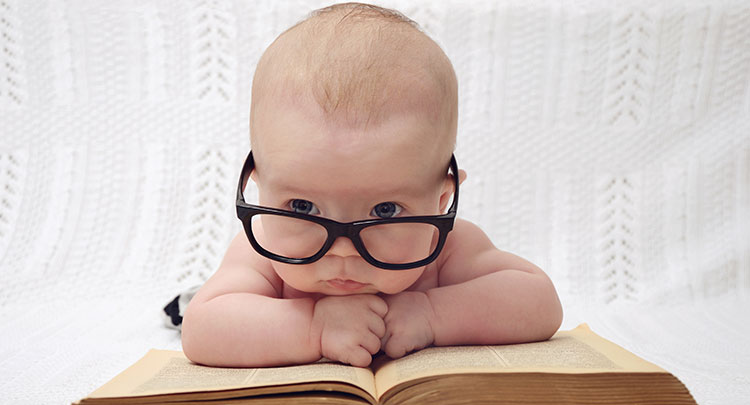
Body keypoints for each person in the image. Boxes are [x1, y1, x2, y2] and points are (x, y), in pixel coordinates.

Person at [181, 2, 562, 368]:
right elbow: (202, 329)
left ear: (441, 200)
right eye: (301, 207)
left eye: (385, 211)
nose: (344, 251)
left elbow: (540, 301)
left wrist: (434, 314)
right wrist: (313, 328)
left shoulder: (447, 247)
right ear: (257, 185)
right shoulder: (259, 250)